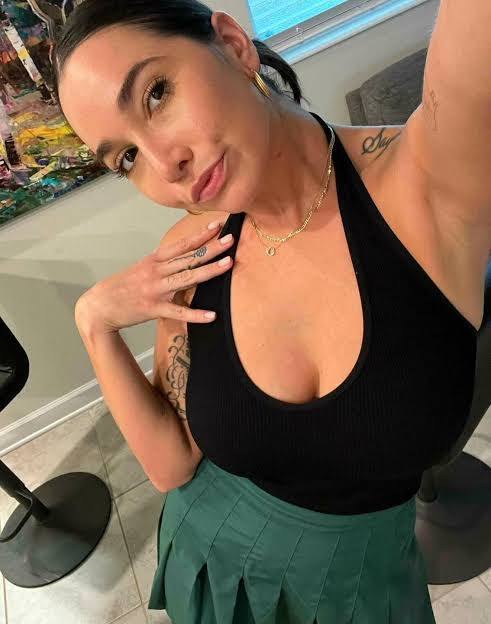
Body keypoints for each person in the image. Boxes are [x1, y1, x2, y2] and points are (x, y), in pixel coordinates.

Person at [50, 1, 480, 622]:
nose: (165, 165)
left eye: (156, 94)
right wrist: (93, 323)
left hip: (366, 577)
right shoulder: (192, 256)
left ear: (233, 43)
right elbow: (171, 465)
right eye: (126, 159)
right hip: (217, 560)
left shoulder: (429, 186)